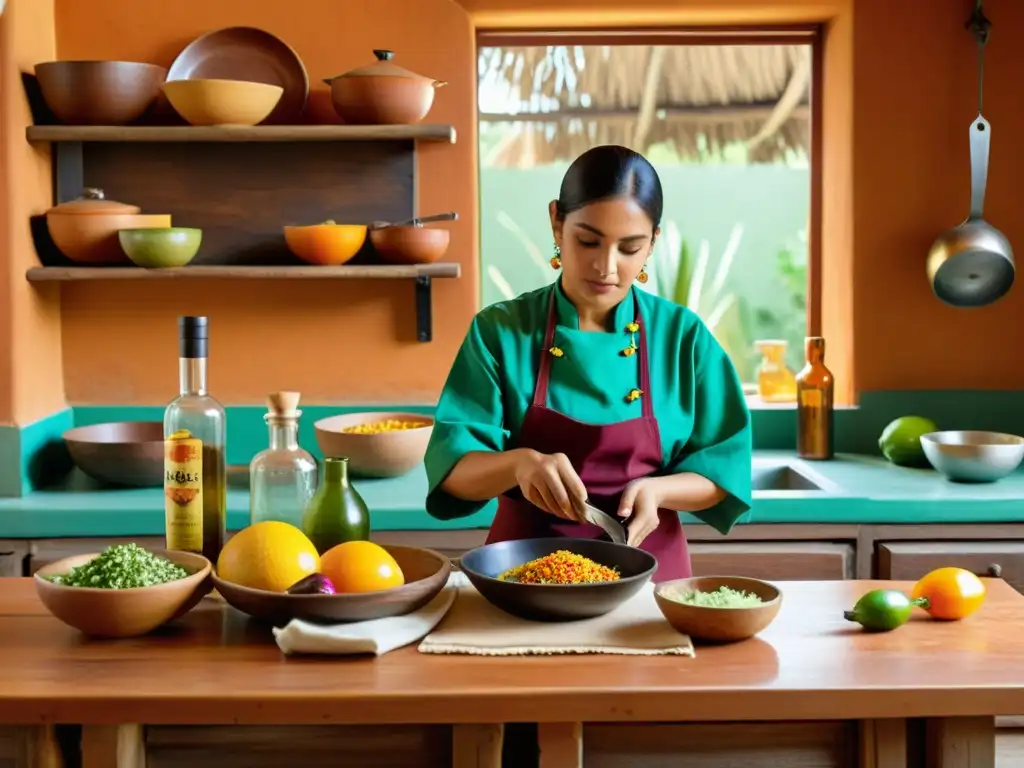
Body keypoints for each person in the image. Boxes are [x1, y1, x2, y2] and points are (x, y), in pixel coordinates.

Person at [424, 144, 752, 581]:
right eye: (588, 240)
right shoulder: (500, 331)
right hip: (524, 574)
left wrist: (660, 489)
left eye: (629, 248)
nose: (606, 266)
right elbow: (453, 471)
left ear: (653, 242)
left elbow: (723, 470)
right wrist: (519, 464)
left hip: (650, 578)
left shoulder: (682, 337)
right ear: (557, 222)